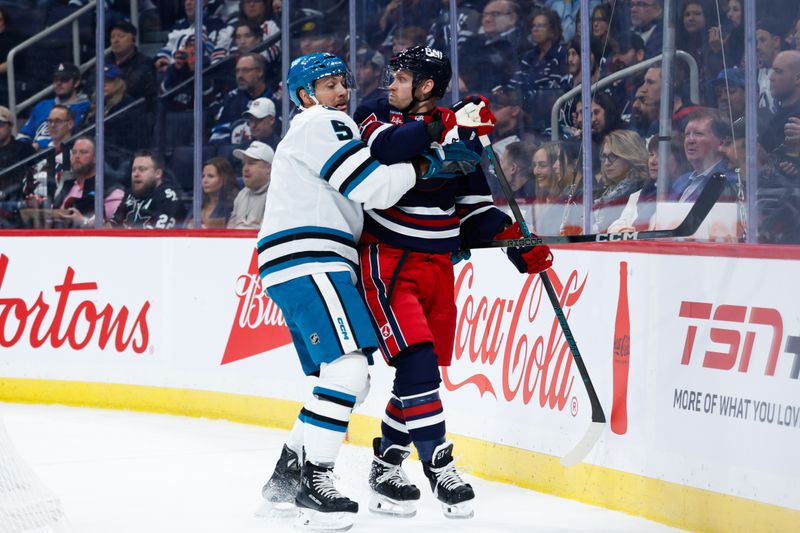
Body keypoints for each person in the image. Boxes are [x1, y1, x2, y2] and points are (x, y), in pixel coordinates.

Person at [353, 46, 553, 519]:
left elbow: (475, 208)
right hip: (387, 262)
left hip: (438, 266)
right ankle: (439, 464)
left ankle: (385, 462)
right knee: (417, 360)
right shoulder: (374, 113)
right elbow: (386, 149)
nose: (391, 85)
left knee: (419, 374)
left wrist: (515, 243)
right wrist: (443, 128)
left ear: (425, 86)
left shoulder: (461, 127)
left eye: (401, 78)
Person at [256, 52, 448, 530]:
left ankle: (286, 476)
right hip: (311, 258)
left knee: (349, 379)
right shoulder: (322, 123)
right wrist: (427, 161)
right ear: (305, 97)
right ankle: (315, 482)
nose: (341, 92)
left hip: (309, 261)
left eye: (343, 82)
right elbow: (375, 188)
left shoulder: (323, 126)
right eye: (327, 84)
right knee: (346, 371)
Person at [52, 136, 126, 228]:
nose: (77, 156)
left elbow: (115, 229)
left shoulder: (112, 191)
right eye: (74, 152)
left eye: (83, 152)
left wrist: (83, 222)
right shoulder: (66, 186)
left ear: (96, 158)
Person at [17, 63, 90, 150]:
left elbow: (73, 137)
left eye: (64, 79)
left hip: (62, 155)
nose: (59, 83)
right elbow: (24, 134)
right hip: (33, 156)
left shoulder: (85, 107)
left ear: (76, 82)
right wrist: (25, 149)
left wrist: (40, 145)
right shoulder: (43, 105)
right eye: (55, 80)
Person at [669, 109, 737, 201]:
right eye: (687, 134)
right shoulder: (680, 182)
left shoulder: (729, 182)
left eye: (698, 134)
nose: (690, 140)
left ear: (721, 143)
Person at [109, 150, 186, 229]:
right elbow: (113, 225)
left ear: (158, 174)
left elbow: (159, 236)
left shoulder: (168, 197)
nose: (136, 174)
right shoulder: (130, 194)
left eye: (142, 169)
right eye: (133, 170)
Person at [592, 129, 650, 232]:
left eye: (613, 156)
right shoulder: (609, 190)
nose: (606, 163)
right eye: (604, 157)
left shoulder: (638, 190)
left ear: (630, 157)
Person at [210, 53, 273, 144]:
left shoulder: (275, 98)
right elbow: (217, 135)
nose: (239, 75)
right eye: (237, 71)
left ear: (260, 72)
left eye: (245, 70)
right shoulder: (231, 98)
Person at [106, 20, 157, 106]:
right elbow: (90, 85)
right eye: (112, 37)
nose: (115, 40)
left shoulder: (144, 62)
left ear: (133, 39)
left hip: (135, 111)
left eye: (121, 36)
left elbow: (133, 86)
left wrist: (108, 88)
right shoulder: (104, 61)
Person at [0, 106, 35, 228]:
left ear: (10, 126)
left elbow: (34, 176)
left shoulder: (24, 149)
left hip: (16, 202)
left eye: (0, 124)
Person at [227, 140, 272, 229]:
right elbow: (230, 229)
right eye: (244, 164)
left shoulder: (276, 196)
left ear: (269, 168)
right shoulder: (241, 195)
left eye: (251, 163)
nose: (245, 169)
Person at [193, 156, 238, 228]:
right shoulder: (198, 205)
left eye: (210, 176)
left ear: (224, 179)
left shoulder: (232, 207)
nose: (205, 181)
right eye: (203, 176)